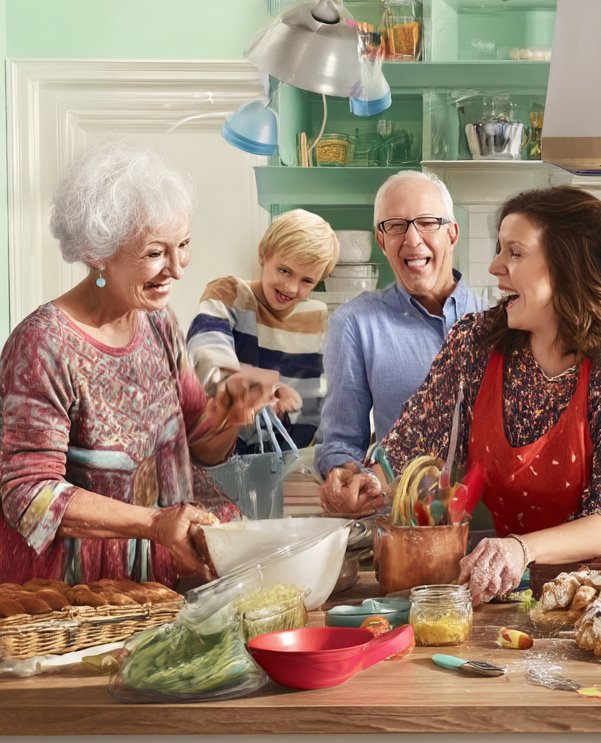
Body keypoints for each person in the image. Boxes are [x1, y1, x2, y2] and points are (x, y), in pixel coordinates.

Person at [320, 186, 601, 603]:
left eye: (515, 253)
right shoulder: (475, 344)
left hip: (581, 600)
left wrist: (522, 548)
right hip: (497, 591)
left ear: (569, 264)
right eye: (500, 250)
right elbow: (409, 449)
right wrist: (364, 485)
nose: (495, 266)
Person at [0, 142, 281, 586]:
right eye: (155, 253)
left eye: (183, 245)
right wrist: (153, 523)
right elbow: (29, 494)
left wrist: (232, 413)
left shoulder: (158, 323)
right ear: (97, 252)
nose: (177, 268)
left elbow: (198, 444)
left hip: (164, 581)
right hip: (78, 597)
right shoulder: (42, 346)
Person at [315, 170, 484, 496]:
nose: (412, 239)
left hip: (497, 532)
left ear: (452, 233)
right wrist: (349, 479)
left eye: (427, 222)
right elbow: (341, 443)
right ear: (381, 241)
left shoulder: (498, 321)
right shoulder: (354, 324)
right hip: (404, 529)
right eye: (395, 225)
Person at [186, 209, 338, 451]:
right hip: (222, 452)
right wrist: (258, 387)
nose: (290, 287)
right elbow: (206, 350)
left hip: (288, 458)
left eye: (307, 281)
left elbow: (317, 400)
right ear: (262, 254)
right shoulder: (229, 293)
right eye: (284, 270)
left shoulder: (315, 316)